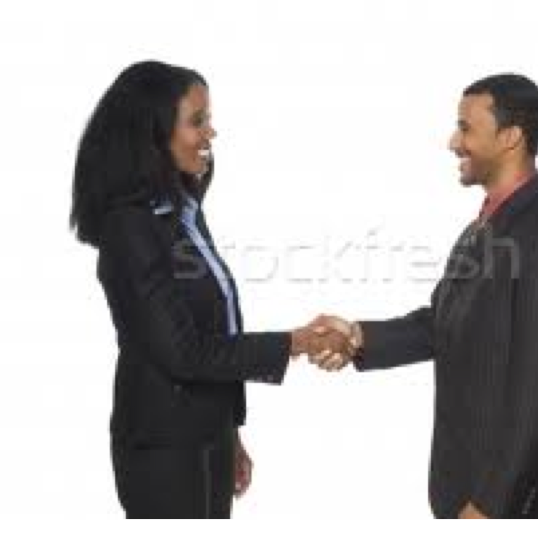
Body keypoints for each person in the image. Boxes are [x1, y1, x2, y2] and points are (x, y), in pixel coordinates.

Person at [70, 61, 357, 520]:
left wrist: (230, 430)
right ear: (154, 134)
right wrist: (295, 342)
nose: (211, 133)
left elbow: (216, 325)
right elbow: (184, 352)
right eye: (197, 120)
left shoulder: (181, 212)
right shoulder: (129, 228)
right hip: (162, 448)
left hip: (208, 434)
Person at [313, 74, 538, 520]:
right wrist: (357, 336)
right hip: (460, 486)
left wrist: (492, 503)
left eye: (466, 128)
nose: (453, 142)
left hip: (502, 503)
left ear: (510, 137)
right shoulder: (482, 227)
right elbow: (442, 324)